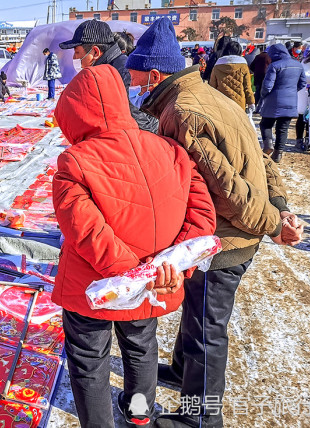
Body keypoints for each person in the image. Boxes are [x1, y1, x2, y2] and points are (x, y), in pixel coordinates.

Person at [125, 18, 304, 427]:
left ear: (155, 75)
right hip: (226, 233)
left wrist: (275, 221)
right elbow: (260, 158)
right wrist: (278, 202)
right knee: (195, 312)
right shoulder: (208, 95)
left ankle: (201, 419)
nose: (135, 88)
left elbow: (226, 188)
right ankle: (180, 369)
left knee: (207, 330)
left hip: (225, 240)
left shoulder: (183, 112)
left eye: (136, 79)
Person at [52, 64, 216, 428]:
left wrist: (137, 275)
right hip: (155, 285)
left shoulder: (75, 161)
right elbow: (203, 216)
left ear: (74, 113)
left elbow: (87, 233)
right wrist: (168, 268)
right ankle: (140, 414)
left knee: (89, 361)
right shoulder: (171, 150)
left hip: (94, 288)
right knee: (141, 346)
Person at [59, 19, 158, 133]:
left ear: (95, 52)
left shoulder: (122, 72)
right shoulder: (104, 69)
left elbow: (135, 115)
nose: (74, 58)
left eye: (77, 53)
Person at [259, 44, 306, 163]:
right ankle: (278, 153)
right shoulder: (298, 65)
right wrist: (291, 92)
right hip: (291, 101)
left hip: (273, 101)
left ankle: (268, 144)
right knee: (283, 128)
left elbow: (267, 86)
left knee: (266, 124)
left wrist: (263, 95)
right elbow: (302, 83)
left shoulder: (274, 66)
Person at [209, 41, 255, 111]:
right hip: (239, 104)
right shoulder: (243, 66)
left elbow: (212, 86)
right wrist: (251, 102)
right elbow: (247, 87)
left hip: (221, 103)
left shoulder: (217, 66)